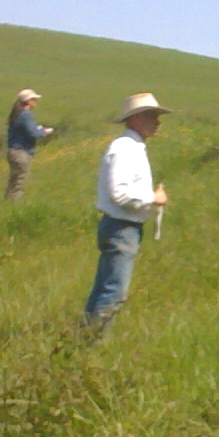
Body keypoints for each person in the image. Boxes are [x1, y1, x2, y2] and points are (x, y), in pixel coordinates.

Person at [84, 93, 169, 329]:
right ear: (136, 118)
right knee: (114, 292)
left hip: (122, 227)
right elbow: (119, 193)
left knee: (105, 287)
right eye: (153, 116)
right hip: (122, 228)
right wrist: (153, 198)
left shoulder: (132, 147)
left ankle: (84, 339)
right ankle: (93, 344)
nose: (157, 122)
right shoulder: (124, 148)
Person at [4, 88, 53, 201]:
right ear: (29, 101)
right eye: (34, 99)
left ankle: (6, 205)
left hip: (13, 152)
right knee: (18, 185)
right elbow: (33, 133)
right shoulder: (26, 115)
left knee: (13, 184)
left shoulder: (17, 113)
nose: (35, 102)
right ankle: (13, 209)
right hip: (22, 153)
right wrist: (44, 131)